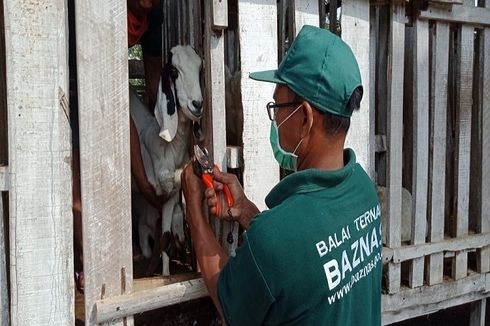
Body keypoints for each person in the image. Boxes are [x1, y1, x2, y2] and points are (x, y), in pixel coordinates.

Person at [181, 25, 382, 325]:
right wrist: (248, 212)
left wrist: (194, 206)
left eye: (278, 106)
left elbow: (229, 299)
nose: (274, 117)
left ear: (304, 118)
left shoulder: (276, 238)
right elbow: (306, 257)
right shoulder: (364, 192)